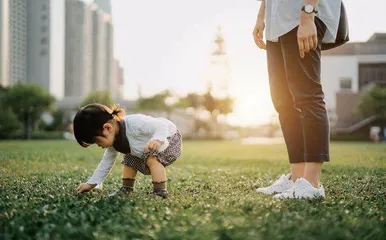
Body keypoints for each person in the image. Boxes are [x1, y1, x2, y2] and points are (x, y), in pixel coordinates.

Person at [253, 0, 342, 199]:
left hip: (301, 16)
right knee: (283, 103)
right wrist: (261, 16)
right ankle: (296, 178)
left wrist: (308, 12)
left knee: (308, 97)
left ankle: (312, 183)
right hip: (277, 23)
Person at [73, 103, 182, 199]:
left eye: (97, 141)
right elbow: (105, 163)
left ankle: (160, 192)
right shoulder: (114, 142)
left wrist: (158, 139)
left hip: (168, 138)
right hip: (146, 147)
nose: (99, 146)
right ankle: (127, 188)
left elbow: (161, 125)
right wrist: (91, 183)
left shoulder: (135, 123)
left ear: (107, 128)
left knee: (152, 159)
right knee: (129, 159)